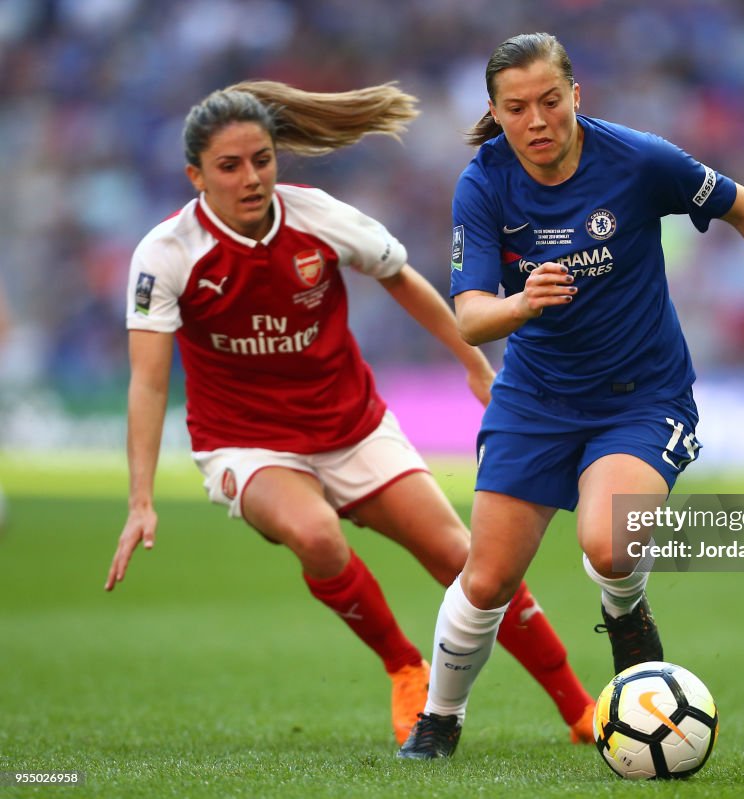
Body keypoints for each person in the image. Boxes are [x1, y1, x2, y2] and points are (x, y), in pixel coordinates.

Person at [398, 32, 744, 759]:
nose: (537, 121)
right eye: (517, 108)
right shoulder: (484, 181)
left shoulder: (640, 159)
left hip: (640, 396)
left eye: (550, 101)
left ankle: (625, 610)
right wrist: (523, 303)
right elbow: (469, 314)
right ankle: (441, 718)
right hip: (536, 397)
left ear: (575, 96)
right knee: (487, 578)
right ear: (496, 112)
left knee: (610, 545)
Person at [103, 79, 596, 746]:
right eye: (229, 166)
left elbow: (401, 277)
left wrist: (473, 360)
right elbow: (148, 384)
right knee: (317, 535)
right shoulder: (166, 255)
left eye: (262, 160)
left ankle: (579, 710)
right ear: (196, 175)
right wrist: (140, 499)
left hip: (353, 425)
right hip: (247, 445)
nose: (251, 178)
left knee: (468, 560)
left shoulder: (317, 216)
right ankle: (403, 666)